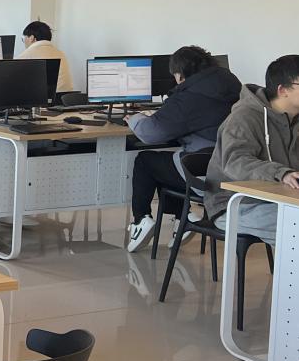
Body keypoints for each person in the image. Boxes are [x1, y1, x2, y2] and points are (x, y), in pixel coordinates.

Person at [125, 46, 242, 252]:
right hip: (238, 172)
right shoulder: (234, 87)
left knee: (146, 161)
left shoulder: (189, 97)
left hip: (208, 176)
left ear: (179, 75)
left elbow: (151, 134)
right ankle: (183, 218)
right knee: (171, 161)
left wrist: (135, 119)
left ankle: (141, 220)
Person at [204, 55, 299, 245]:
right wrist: (281, 173)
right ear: (282, 90)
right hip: (238, 204)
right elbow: (235, 162)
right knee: (294, 225)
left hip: (283, 199)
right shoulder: (244, 118)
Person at [16, 21, 74, 95]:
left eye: (23, 39)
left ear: (31, 38)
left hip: (40, 100)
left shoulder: (25, 56)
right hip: (65, 99)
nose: (24, 43)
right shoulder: (61, 54)